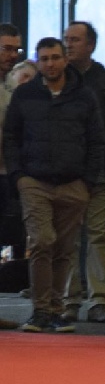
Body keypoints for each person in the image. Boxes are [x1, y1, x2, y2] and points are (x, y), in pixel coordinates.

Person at [2, 37, 105, 333]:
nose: (50, 63)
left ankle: (57, 310)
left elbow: (97, 141)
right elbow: (11, 137)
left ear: (65, 60)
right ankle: (40, 310)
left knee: (64, 249)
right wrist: (19, 176)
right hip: (34, 181)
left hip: (74, 183)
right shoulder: (25, 95)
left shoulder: (84, 96)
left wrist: (88, 181)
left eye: (55, 57)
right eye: (44, 58)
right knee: (41, 241)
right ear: (37, 61)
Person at [60, 21, 105, 323]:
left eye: (75, 40)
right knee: (70, 238)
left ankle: (99, 300)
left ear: (91, 45)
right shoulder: (57, 82)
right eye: (66, 39)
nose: (69, 45)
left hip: (104, 171)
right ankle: (69, 300)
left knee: (100, 235)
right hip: (68, 173)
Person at [0, 23, 24, 329]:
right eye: (6, 48)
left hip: (4, 173)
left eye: (16, 49)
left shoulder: (10, 86)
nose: (12, 55)